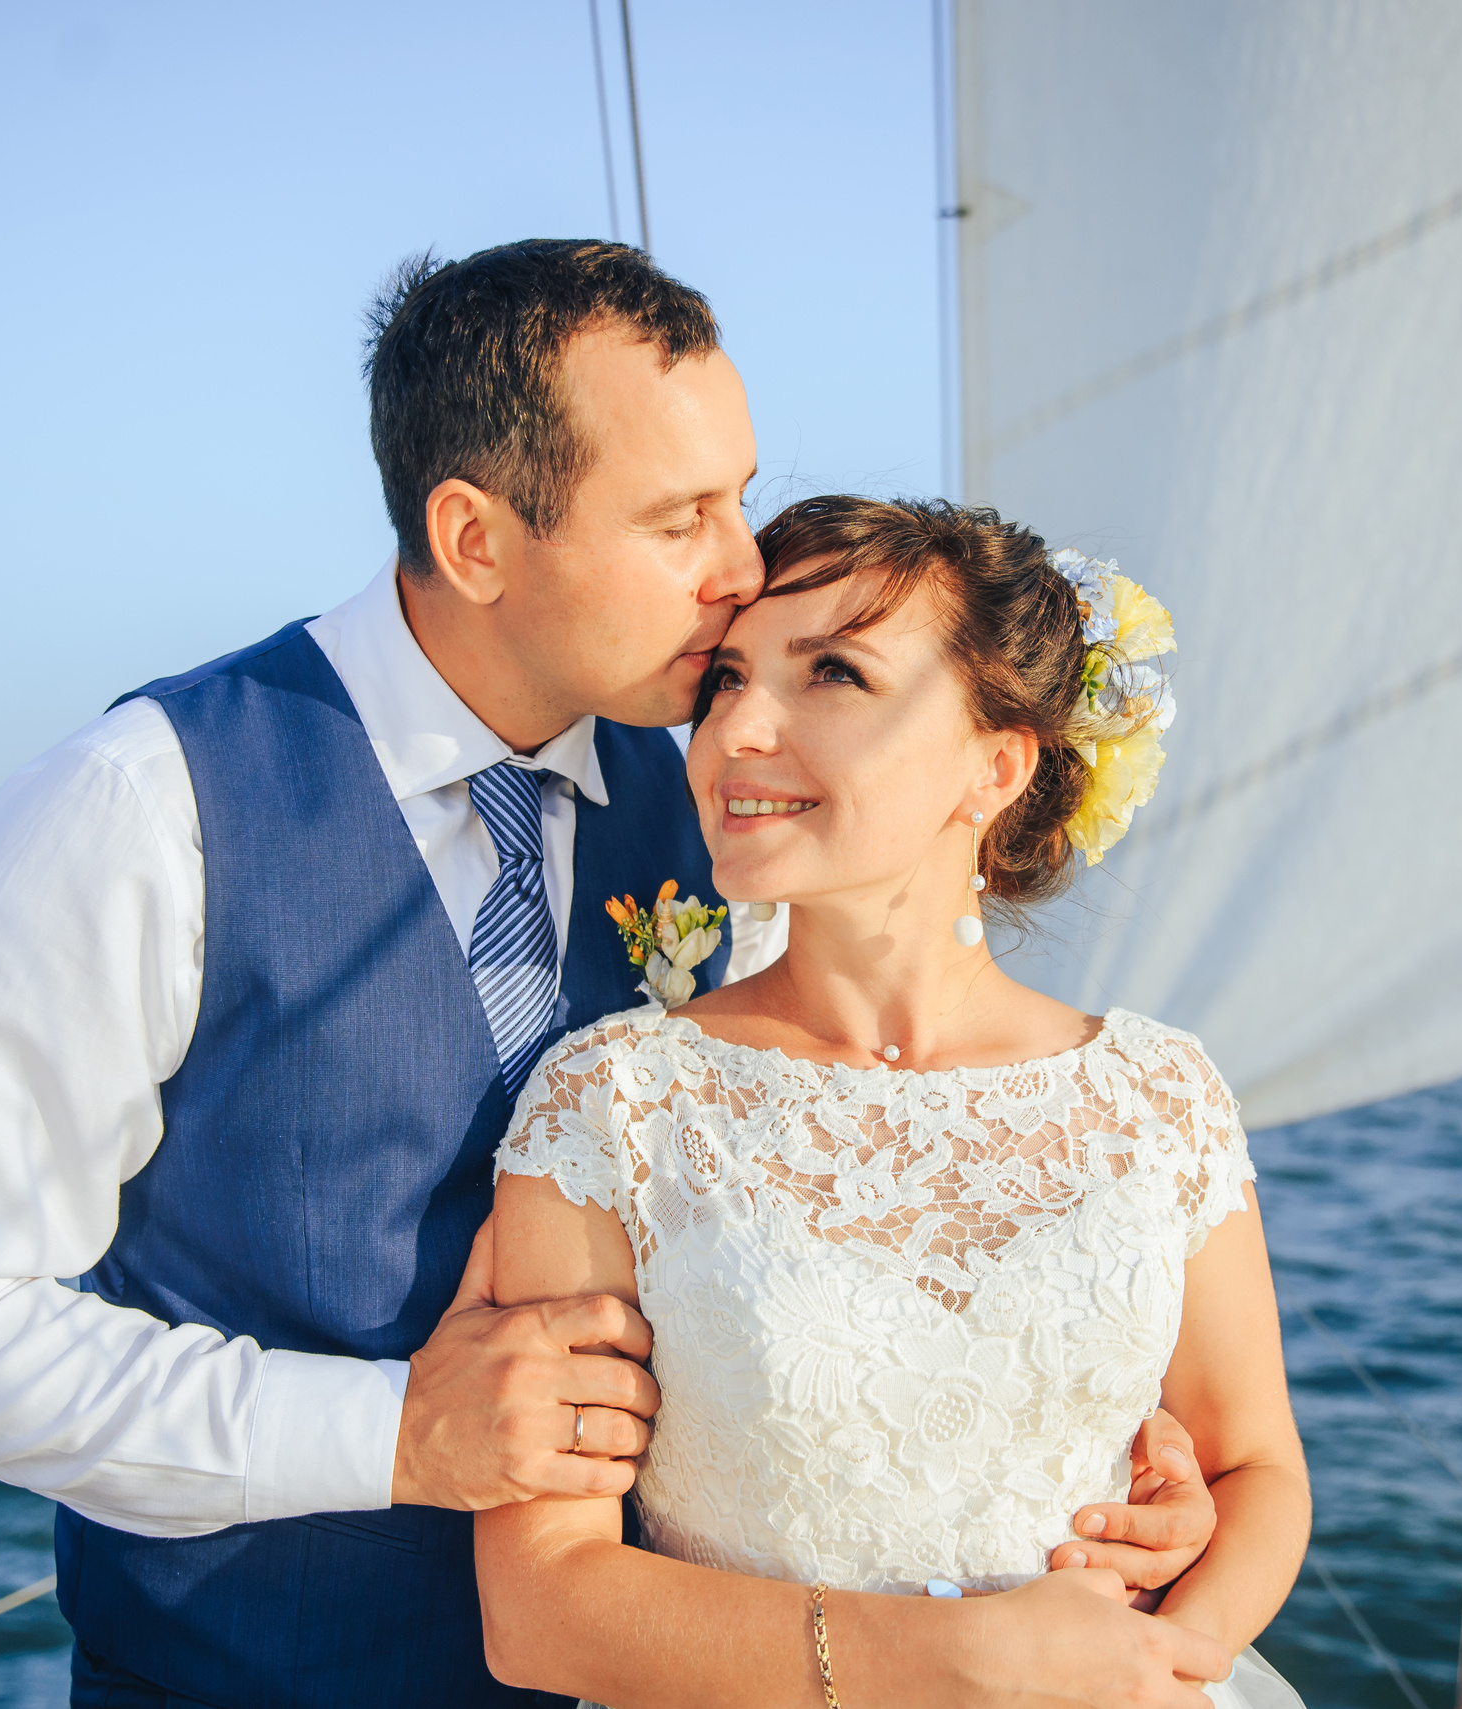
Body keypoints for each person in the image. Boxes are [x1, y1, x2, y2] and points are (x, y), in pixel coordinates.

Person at [0, 240, 1210, 1707]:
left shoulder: (720, 817)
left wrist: (1094, 1443)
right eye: (681, 520)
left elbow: (825, 1208)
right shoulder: (140, 810)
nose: (743, 570)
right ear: (474, 539)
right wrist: (392, 1432)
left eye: (738, 495)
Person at [479, 496, 1312, 1707]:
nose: (735, 730)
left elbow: (1255, 1469)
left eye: (833, 673)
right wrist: (961, 1667)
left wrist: (1173, 1657)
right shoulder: (611, 1101)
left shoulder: (1159, 1096)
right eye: (725, 679)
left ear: (995, 765)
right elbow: (540, 1603)